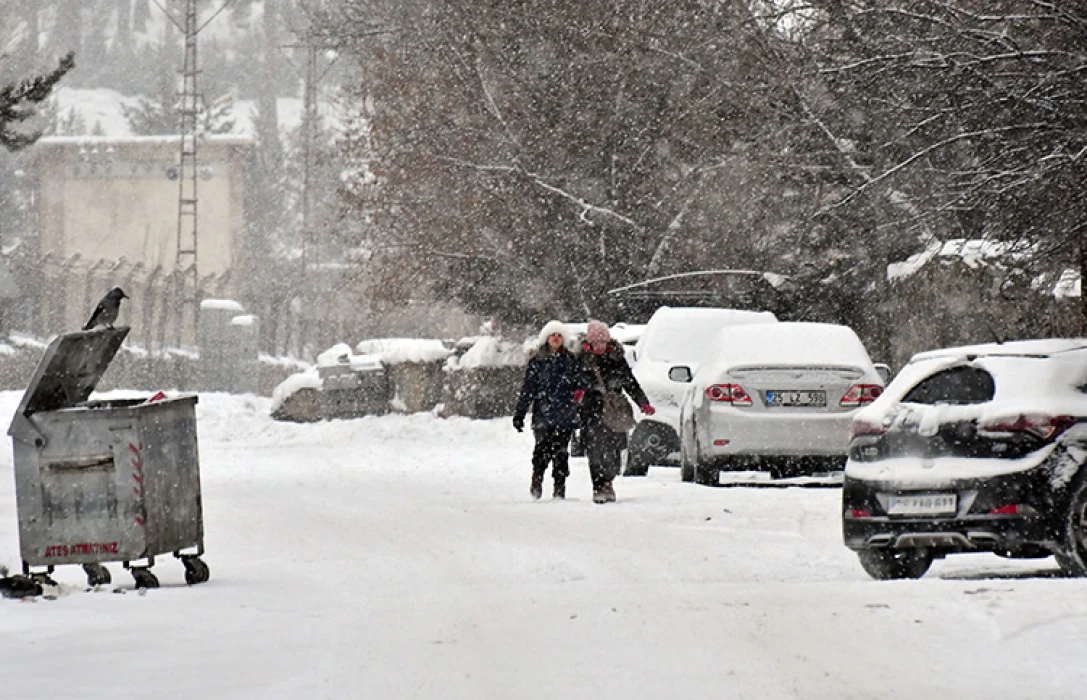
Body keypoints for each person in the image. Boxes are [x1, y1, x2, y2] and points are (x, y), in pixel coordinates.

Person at [578, 320, 654, 503]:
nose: (600, 346)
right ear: (590, 343)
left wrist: (643, 403)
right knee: (594, 451)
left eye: (603, 342)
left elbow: (630, 382)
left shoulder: (616, 358)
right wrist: (578, 393)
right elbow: (572, 381)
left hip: (614, 412)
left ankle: (608, 481)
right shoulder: (582, 359)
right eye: (596, 342)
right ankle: (598, 487)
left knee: (614, 450)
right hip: (591, 411)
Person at [513, 321, 589, 499]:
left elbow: (582, 381)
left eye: (559, 335)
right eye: (552, 335)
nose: (556, 338)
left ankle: (559, 486)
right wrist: (520, 413)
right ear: (546, 338)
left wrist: (578, 391)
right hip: (543, 414)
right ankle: (537, 478)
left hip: (565, 413)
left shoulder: (571, 361)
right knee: (542, 449)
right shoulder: (537, 361)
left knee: (561, 452)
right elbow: (528, 389)